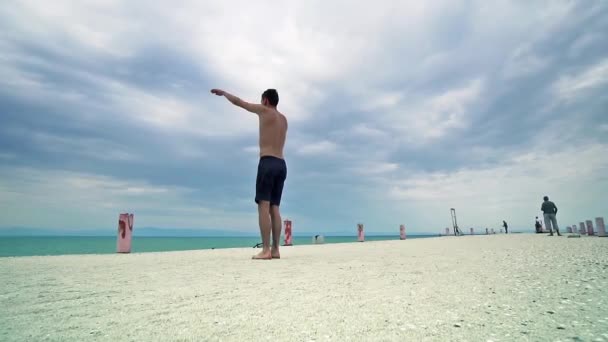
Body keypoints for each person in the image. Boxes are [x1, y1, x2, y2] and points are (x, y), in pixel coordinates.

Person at [211, 88, 288, 259]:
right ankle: (275, 249)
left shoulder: (263, 111)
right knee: (275, 207)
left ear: (266, 101)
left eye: (262, 100)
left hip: (267, 162)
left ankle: (266, 250)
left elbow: (240, 102)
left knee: (264, 205)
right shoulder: (284, 120)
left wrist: (224, 93)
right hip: (282, 164)